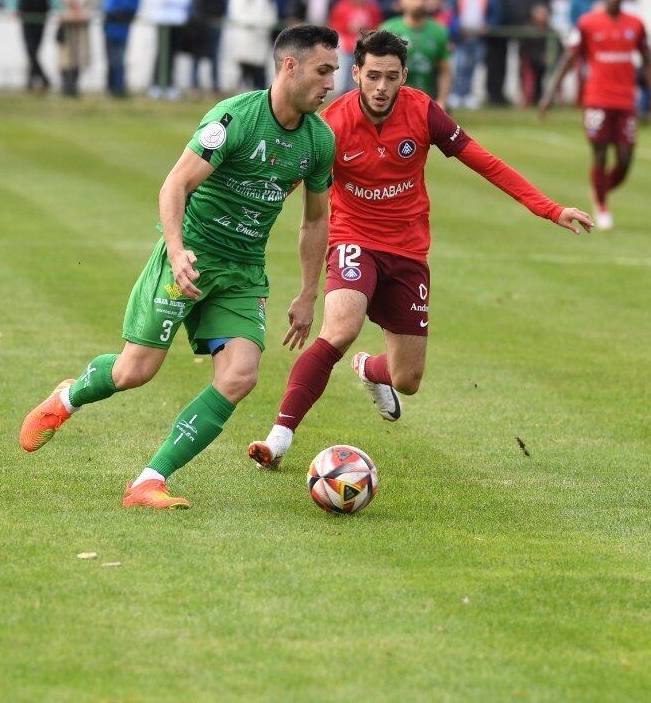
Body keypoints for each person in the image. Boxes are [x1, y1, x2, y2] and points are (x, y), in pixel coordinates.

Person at [18, 25, 339, 510]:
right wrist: (175, 250)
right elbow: (175, 185)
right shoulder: (233, 119)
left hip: (242, 272)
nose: (331, 83)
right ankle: (68, 397)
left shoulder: (318, 141)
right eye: (323, 70)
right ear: (288, 66)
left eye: (333, 72)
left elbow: (316, 222)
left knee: (241, 376)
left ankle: (148, 481)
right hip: (189, 257)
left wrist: (308, 293)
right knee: (134, 371)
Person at [247, 29, 592, 470]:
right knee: (340, 329)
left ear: (404, 76)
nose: (381, 87)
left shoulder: (423, 111)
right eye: (372, 76)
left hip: (408, 252)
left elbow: (485, 162)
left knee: (407, 379)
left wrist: (550, 209)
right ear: (355, 74)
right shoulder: (331, 125)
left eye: (392, 77)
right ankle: (278, 439)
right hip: (354, 240)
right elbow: (286, 190)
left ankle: (370, 370)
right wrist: (299, 282)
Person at [540, 0, 651, 232]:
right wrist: (550, 94)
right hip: (597, 99)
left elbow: (648, 62)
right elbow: (569, 58)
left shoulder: (636, 24)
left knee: (626, 158)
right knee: (601, 152)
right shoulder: (587, 23)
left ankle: (599, 190)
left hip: (626, 101)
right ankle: (602, 204)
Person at [379, 0, 450, 106]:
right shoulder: (388, 29)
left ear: (429, 0)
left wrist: (442, 100)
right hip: (393, 102)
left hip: (427, 102)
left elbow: (444, 71)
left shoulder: (439, 32)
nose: (418, 2)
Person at [5, 0, 60, 93]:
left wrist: (59, 11)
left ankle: (31, 81)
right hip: (27, 18)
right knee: (31, 50)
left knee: (35, 49)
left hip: (41, 19)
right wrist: (11, 10)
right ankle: (44, 78)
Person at [144, 0, 191, 98]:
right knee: (161, 53)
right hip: (162, 21)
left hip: (176, 21)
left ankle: (169, 84)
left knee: (172, 53)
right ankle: (157, 84)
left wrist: (171, 0)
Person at [188, 0, 232, 93]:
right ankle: (194, 85)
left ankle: (214, 86)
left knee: (214, 55)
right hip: (199, 22)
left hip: (215, 21)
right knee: (197, 55)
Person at [226, 0, 277, 90]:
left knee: (259, 70)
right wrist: (253, 23)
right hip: (245, 36)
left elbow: (271, 13)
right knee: (244, 68)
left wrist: (265, 24)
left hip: (260, 37)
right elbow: (236, 12)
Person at [448, 0, 490, 109]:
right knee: (460, 65)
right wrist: (458, 26)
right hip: (462, 36)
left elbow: (493, 10)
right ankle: (457, 93)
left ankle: (468, 94)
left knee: (473, 65)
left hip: (478, 35)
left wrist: (487, 24)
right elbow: (450, 12)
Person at [329, 0, 383, 92]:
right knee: (345, 78)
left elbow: (377, 25)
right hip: (346, 46)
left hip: (365, 47)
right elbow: (335, 26)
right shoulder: (342, 6)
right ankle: (343, 98)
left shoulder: (372, 7)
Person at [56, 0, 94, 98]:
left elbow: (91, 7)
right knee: (66, 58)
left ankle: (74, 87)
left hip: (80, 27)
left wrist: (82, 15)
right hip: (66, 26)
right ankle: (66, 86)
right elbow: (58, 6)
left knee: (78, 57)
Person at [102, 0, 140, 98]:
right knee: (113, 61)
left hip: (123, 33)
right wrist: (123, 13)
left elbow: (131, 11)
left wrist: (122, 13)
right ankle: (112, 88)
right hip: (111, 32)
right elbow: (111, 10)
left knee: (120, 61)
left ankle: (119, 88)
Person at [484, 0, 511, 106]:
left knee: (502, 66)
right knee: (492, 66)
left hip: (503, 36)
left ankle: (499, 94)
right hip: (491, 37)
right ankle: (492, 95)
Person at [519, 3, 554, 106]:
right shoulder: (527, 29)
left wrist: (550, 56)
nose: (544, 17)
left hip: (547, 63)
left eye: (545, 14)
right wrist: (540, 57)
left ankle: (545, 98)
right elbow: (525, 49)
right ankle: (529, 99)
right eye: (541, 14)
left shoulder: (550, 29)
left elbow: (559, 47)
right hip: (531, 61)